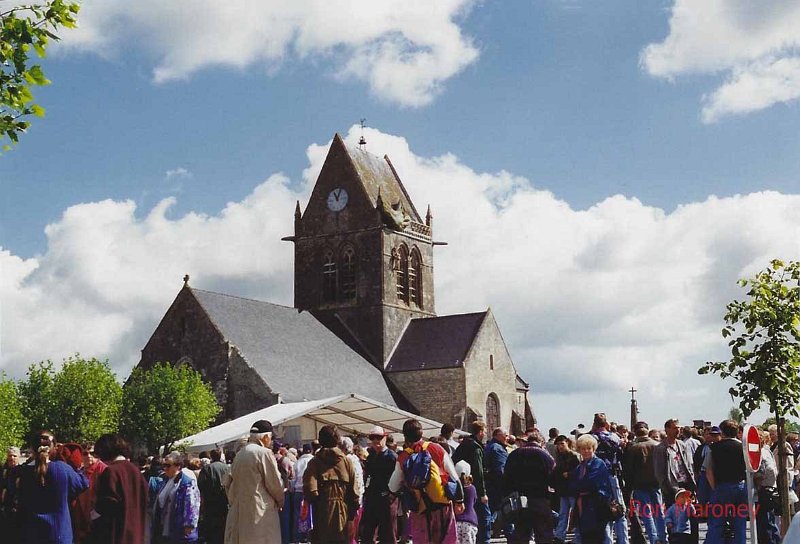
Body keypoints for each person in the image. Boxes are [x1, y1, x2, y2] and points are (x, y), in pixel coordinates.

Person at [389, 418, 463, 544]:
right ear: (422, 433)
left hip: (420, 509)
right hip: (442, 506)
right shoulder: (436, 448)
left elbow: (393, 487)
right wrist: (459, 501)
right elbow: (454, 477)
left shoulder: (403, 457)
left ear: (405, 436)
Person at [15, 430, 89, 544]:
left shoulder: (21, 472)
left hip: (30, 534)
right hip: (59, 534)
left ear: (31, 448)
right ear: (54, 448)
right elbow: (83, 484)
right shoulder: (63, 469)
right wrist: (78, 467)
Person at [224, 419, 285, 543]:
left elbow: (228, 483)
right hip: (260, 511)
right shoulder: (264, 453)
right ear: (266, 437)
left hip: (240, 511)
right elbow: (274, 483)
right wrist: (280, 502)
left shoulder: (240, 454)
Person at [303, 425, 359, 543]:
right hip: (343, 514)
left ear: (321, 440)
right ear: (337, 440)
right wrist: (351, 516)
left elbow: (310, 491)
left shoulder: (314, 462)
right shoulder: (346, 462)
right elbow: (354, 493)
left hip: (321, 514)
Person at [502, 429, 555, 544]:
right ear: (541, 442)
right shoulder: (545, 456)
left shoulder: (514, 455)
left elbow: (506, 478)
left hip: (520, 501)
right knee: (544, 535)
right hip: (540, 499)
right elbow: (553, 478)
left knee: (521, 534)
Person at [653, 418, 696, 544]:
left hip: (685, 485)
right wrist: (666, 488)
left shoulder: (682, 445)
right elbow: (659, 472)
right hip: (672, 487)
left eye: (679, 427)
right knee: (674, 519)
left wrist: (692, 483)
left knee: (688, 516)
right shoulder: (661, 448)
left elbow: (688, 465)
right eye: (674, 427)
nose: (678, 430)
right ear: (667, 429)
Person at [704, 419, 747, 544]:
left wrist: (714, 488)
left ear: (722, 432)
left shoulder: (713, 448)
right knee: (740, 523)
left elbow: (708, 471)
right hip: (740, 486)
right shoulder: (743, 448)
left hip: (721, 487)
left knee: (717, 523)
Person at [624, 421, 665, 544]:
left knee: (647, 515)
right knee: (659, 512)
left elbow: (629, 470)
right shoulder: (658, 445)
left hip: (640, 485)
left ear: (635, 432)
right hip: (656, 483)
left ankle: (653, 540)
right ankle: (663, 538)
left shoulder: (633, 448)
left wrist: (628, 487)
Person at [590, 413, 628, 544]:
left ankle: (608, 540)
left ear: (594, 424)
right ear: (606, 424)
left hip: (598, 477)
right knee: (620, 509)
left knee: (604, 510)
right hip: (613, 475)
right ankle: (623, 540)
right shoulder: (614, 437)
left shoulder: (592, 439)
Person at [569, 434, 613, 544]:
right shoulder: (580, 466)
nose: (586, 451)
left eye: (589, 448)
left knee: (597, 536)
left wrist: (578, 487)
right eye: (583, 449)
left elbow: (590, 482)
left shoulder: (598, 463)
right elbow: (572, 484)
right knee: (586, 537)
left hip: (596, 505)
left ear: (593, 448)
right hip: (582, 505)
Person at [452, 421, 490, 543]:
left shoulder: (464, 444)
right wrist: (483, 492)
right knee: (484, 518)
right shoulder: (475, 448)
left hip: (460, 485)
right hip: (472, 486)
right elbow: (478, 472)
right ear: (480, 432)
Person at [360, 426, 398, 543]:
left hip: (386, 499)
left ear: (385, 438)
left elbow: (398, 478)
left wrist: (391, 494)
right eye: (373, 438)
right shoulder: (371, 456)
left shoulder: (391, 456)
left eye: (379, 437)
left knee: (388, 533)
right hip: (372, 497)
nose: (376, 440)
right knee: (367, 532)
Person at [152, 452, 200, 543]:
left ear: (178, 466)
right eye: (164, 465)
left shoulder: (187, 483)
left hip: (181, 532)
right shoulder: (164, 480)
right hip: (164, 529)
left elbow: (192, 505)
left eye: (168, 465)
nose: (165, 468)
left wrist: (189, 524)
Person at [72, 443, 107, 543]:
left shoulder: (103, 470)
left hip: (98, 519)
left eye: (92, 453)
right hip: (81, 519)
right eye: (85, 453)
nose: (89, 456)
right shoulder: (80, 472)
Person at [553, 435, 581, 544]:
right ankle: (560, 535)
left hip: (573, 489)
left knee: (576, 514)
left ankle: (578, 537)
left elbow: (580, 471)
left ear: (567, 443)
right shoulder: (559, 457)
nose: (560, 446)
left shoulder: (574, 456)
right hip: (563, 489)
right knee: (563, 513)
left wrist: (569, 474)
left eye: (562, 444)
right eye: (558, 444)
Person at [197, 448, 230, 544]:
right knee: (223, 529)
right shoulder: (227, 468)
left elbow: (201, 485)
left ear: (211, 457)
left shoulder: (207, 469)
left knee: (211, 531)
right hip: (224, 502)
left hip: (210, 503)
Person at [484, 427, 511, 538]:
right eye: (506, 435)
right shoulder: (498, 449)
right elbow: (501, 470)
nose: (507, 437)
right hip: (498, 486)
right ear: (498, 435)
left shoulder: (489, 446)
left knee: (492, 510)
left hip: (490, 484)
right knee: (505, 510)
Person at [754, 430, 780, 544]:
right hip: (770, 489)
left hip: (764, 490)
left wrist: (757, 482)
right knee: (770, 522)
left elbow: (762, 471)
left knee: (765, 523)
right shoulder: (767, 451)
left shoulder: (761, 453)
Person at [292, 443, 315, 543]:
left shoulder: (297, 462)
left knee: (298, 515)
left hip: (298, 491)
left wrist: (292, 489)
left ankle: (298, 537)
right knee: (311, 514)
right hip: (311, 491)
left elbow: (293, 479)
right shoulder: (314, 461)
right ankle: (310, 536)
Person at [455, 460, 478, 544]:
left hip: (455, 522)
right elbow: (474, 501)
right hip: (470, 522)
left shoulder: (453, 488)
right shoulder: (472, 489)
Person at [1, 446, 21, 540]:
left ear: (19, 457)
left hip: (16, 508)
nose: (11, 458)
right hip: (4, 506)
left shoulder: (22, 470)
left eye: (14, 456)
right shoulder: (4, 470)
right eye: (10, 456)